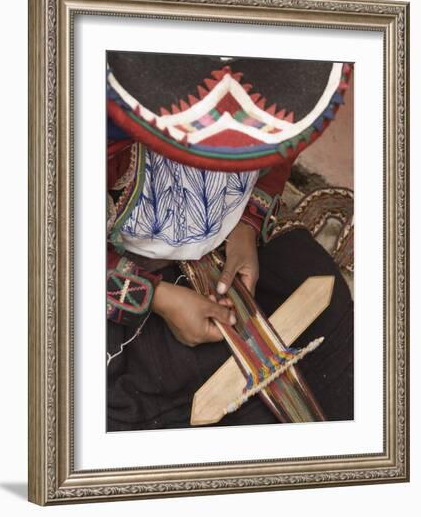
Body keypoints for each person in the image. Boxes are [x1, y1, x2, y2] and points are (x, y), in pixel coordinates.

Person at [106, 52, 354, 431]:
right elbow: (51, 237)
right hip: (119, 259)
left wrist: (246, 226)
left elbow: (278, 155)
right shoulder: (93, 121)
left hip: (230, 236)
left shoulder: (280, 85)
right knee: (133, 397)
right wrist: (158, 298)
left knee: (329, 307)